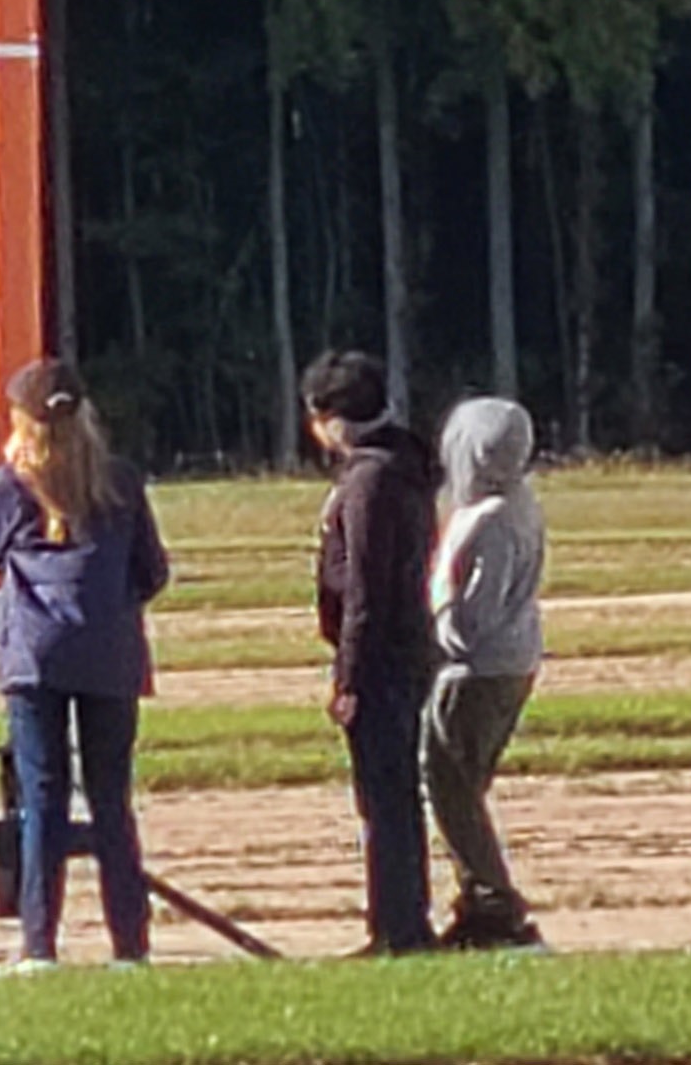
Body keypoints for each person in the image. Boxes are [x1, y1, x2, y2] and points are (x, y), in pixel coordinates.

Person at [0, 358, 170, 972]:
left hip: (35, 657)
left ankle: (39, 944)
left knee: (42, 798)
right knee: (112, 800)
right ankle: (130, 945)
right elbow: (153, 571)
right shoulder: (120, 481)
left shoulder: (11, 485)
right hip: (109, 654)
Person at [301, 349, 442, 957]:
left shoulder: (369, 479)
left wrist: (348, 677)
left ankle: (399, 927)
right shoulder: (401, 462)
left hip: (382, 659)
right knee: (391, 794)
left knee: (385, 797)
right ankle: (396, 920)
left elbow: (364, 587)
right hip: (404, 651)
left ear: (331, 419)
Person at [422, 395, 547, 951]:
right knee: (461, 786)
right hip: (511, 661)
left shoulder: (490, 521)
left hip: (478, 670)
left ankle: (494, 903)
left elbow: (474, 617)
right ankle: (482, 900)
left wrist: (433, 633)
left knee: (451, 787)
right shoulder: (519, 501)